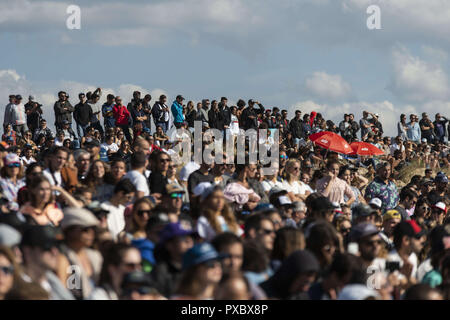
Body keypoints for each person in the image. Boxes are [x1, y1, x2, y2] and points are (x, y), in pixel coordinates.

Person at [56, 207, 103, 300]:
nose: (91, 233)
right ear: (69, 231)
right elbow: (65, 293)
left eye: (93, 229)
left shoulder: (95, 256)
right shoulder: (63, 258)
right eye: (85, 229)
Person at [20, 225, 75, 300]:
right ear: (28, 251)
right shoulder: (15, 286)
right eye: (48, 246)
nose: (55, 252)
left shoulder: (54, 284)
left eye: (57, 246)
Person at [151, 222, 195, 298]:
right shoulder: (161, 271)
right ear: (169, 245)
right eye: (183, 238)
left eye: (191, 237)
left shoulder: (198, 267)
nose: (189, 241)